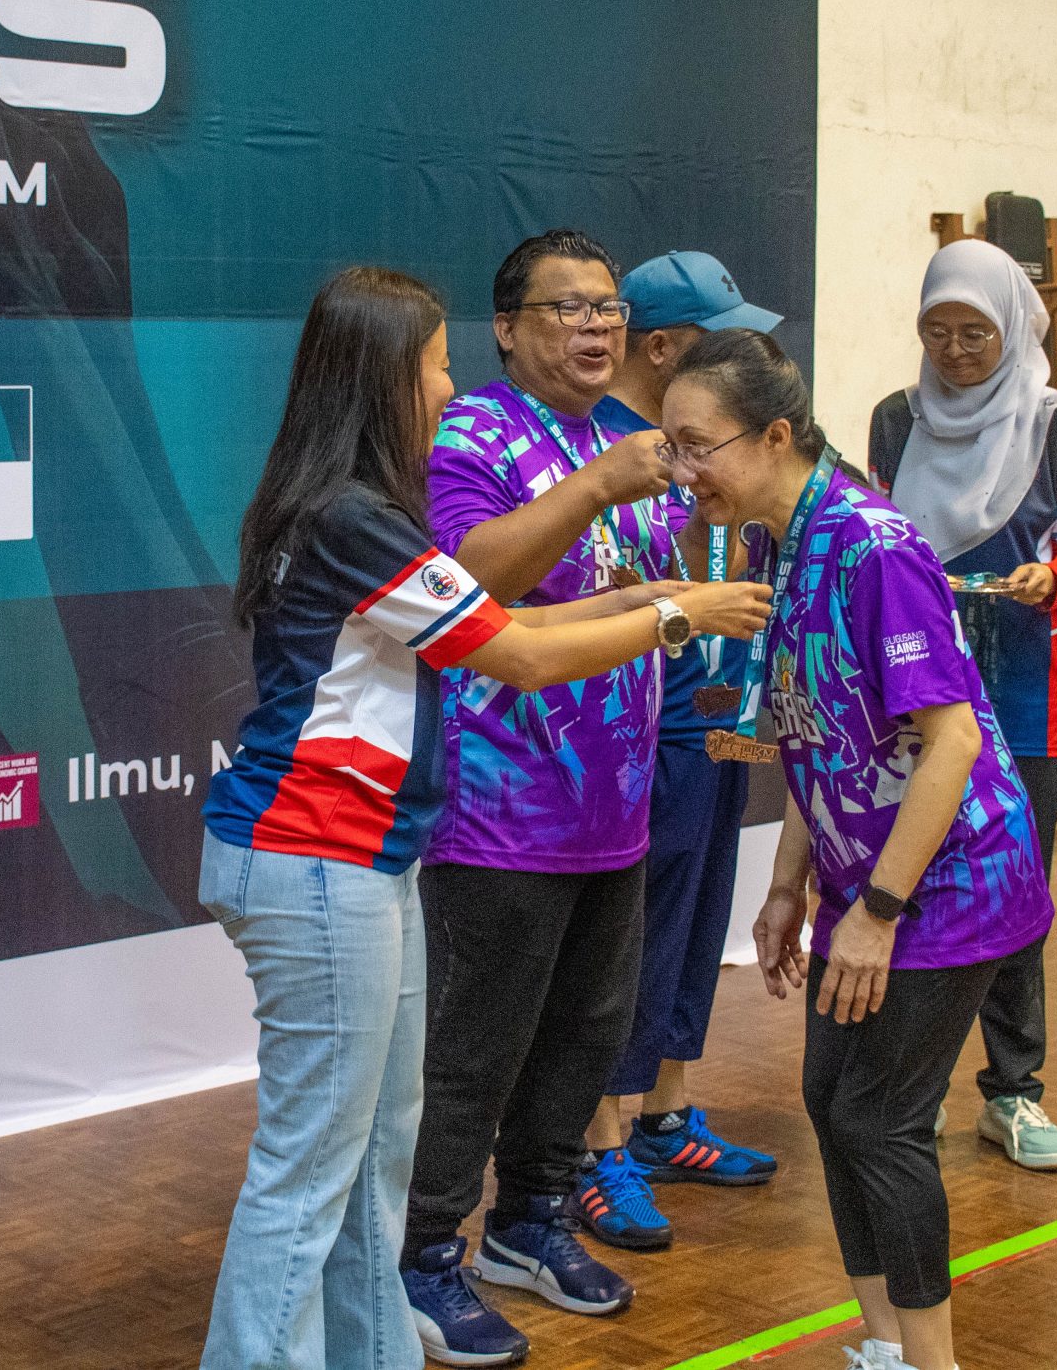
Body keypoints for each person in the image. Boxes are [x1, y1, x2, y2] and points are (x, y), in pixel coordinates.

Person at [196, 266, 769, 1370]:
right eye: (434, 367)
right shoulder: (354, 520)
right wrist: (676, 616)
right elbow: (517, 654)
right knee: (310, 1172)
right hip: (313, 854)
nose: (447, 389)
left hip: (361, 859)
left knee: (377, 1154)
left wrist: (652, 601)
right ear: (381, 379)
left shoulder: (354, 511)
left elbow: (506, 615)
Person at [670, 328, 1054, 1370]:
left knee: (881, 1120)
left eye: (699, 445)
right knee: (831, 1106)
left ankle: (933, 1361)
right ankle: (884, 1344)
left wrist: (876, 914)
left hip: (949, 882)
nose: (684, 470)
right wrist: (788, 886)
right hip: (864, 880)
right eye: (673, 447)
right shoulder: (779, 542)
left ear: (774, 435)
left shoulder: (874, 546)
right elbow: (819, 731)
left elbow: (951, 743)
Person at [401, 230, 685, 1368]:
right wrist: (595, 487)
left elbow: (633, 596)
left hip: (617, 808)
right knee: (475, 1052)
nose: (596, 326)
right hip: (497, 814)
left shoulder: (625, 436)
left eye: (608, 306)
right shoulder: (471, 433)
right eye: (567, 308)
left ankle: (530, 1222)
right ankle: (424, 1256)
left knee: (583, 1039)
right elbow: (471, 585)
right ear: (507, 328)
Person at [867, 239, 1057, 1174]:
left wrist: (1053, 577)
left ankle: (1013, 1089)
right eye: (939, 330)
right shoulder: (898, 419)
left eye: (976, 332)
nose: (957, 350)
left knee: (1018, 889)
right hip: (919, 677)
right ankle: (912, 1081)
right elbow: (880, 531)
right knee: (910, 873)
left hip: (1028, 681)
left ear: (1013, 328)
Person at [572, 251, 785, 1254]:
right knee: (629, 943)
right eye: (717, 339)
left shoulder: (707, 452)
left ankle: (663, 1113)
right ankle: (596, 1144)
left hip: (718, 724)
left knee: (697, 930)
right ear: (659, 348)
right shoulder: (605, 456)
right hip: (637, 735)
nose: (741, 357)